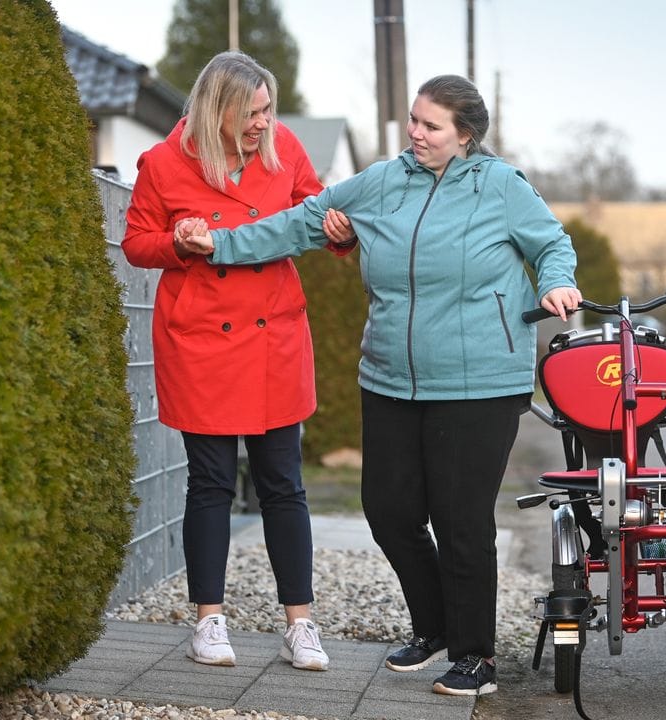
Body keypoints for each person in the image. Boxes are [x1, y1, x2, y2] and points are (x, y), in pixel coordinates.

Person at [175, 74, 580, 696]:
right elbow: (299, 223)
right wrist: (220, 243)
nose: (416, 133)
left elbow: (551, 243)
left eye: (432, 125)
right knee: (388, 511)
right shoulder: (383, 181)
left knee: (460, 518)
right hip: (390, 375)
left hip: (479, 381)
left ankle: (477, 658)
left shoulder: (501, 186)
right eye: (414, 120)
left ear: (465, 134)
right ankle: (435, 627)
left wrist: (556, 281)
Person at [120, 51, 356, 672]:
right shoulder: (164, 163)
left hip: (274, 334)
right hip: (202, 340)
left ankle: (300, 625)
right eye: (251, 111)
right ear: (216, 109)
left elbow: (317, 212)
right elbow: (137, 242)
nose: (263, 122)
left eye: (268, 108)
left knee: (285, 483)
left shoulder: (284, 148)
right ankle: (208, 619)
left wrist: (341, 230)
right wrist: (176, 241)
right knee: (212, 483)